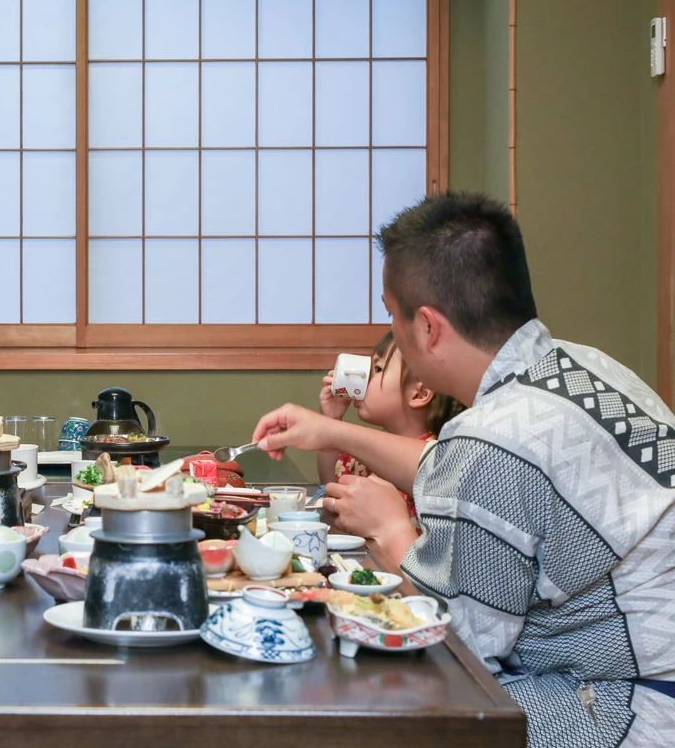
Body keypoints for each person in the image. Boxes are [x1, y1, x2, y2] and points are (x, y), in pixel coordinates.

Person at [252, 192, 675, 746]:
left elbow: (456, 641)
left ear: (427, 327)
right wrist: (328, 430)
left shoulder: (493, 441)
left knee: (384, 701)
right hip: (641, 668)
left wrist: (391, 529)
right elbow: (450, 464)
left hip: (631, 703)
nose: (391, 331)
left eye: (390, 314)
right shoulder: (585, 367)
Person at [316, 332, 465, 532]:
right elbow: (331, 486)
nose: (365, 379)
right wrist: (332, 419)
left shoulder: (437, 455)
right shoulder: (369, 451)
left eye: (378, 369)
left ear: (419, 393)